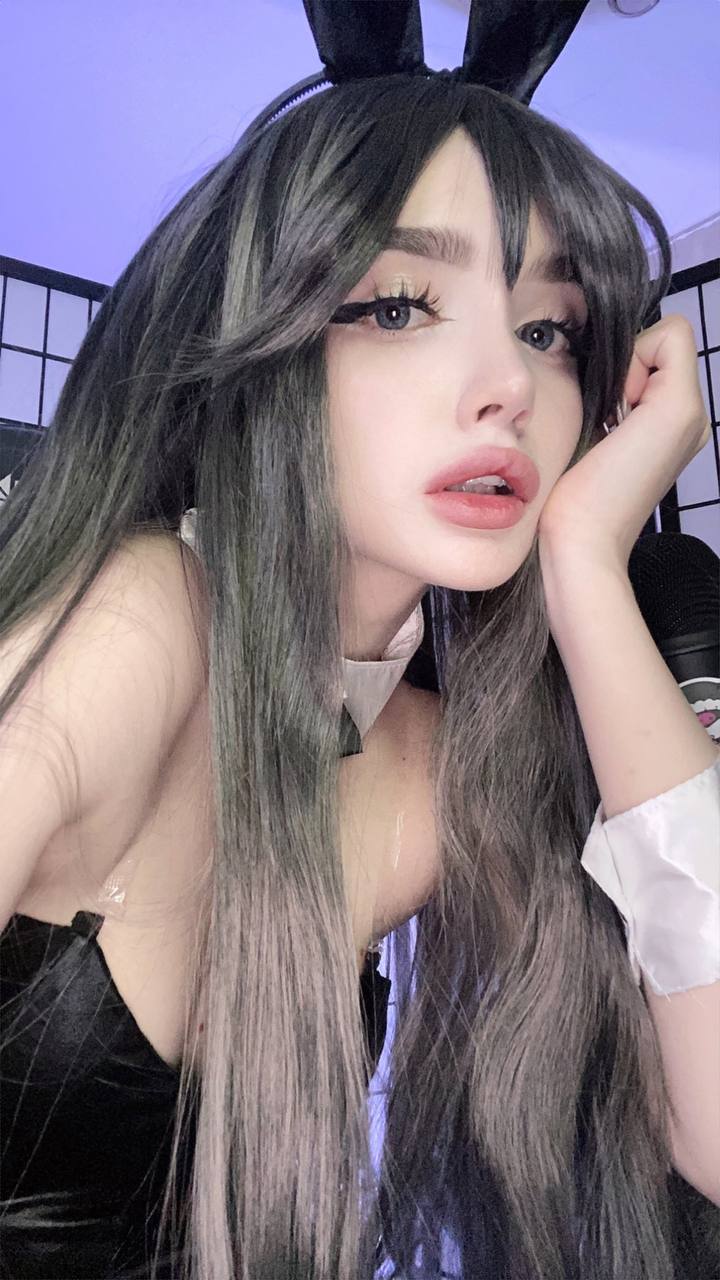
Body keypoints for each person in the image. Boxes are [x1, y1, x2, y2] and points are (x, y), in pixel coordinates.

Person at [1, 35, 718, 1280]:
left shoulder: (431, 761)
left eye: (550, 331)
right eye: (399, 306)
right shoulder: (141, 618)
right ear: (265, 333)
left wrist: (591, 569)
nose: (506, 385)